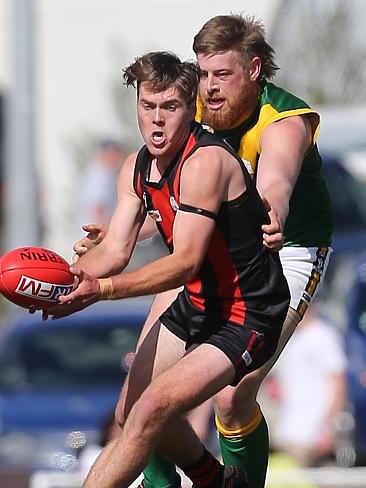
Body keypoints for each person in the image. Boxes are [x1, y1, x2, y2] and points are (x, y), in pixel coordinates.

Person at [73, 13, 334, 488]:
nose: (209, 88)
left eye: (222, 75)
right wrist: (114, 239)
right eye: (203, 73)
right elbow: (172, 210)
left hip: (284, 251)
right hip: (208, 261)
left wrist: (271, 208)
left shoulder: (283, 120)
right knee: (135, 403)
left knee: (232, 399)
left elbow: (276, 178)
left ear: (254, 70)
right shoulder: (182, 113)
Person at [273, 302, 347, 467]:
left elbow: (339, 387)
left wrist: (328, 429)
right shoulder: (291, 339)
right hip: (288, 434)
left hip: (311, 436)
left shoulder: (324, 335)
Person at [75, 138, 124, 236]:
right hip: (94, 236)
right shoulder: (100, 174)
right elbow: (98, 207)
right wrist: (107, 236)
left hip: (92, 235)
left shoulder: (102, 172)